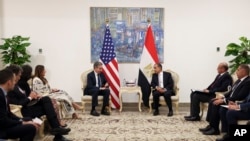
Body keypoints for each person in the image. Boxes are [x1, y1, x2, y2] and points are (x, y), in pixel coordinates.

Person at [6, 64, 72, 141]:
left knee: (46, 100)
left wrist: (35, 96)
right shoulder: (11, 87)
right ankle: (57, 133)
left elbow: (28, 95)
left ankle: (57, 131)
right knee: (49, 109)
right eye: (19, 75)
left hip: (28, 106)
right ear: (14, 75)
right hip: (22, 111)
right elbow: (18, 103)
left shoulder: (19, 84)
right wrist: (30, 97)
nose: (19, 77)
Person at [200, 64, 250, 136]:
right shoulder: (239, 81)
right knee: (213, 101)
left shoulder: (247, 82)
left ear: (243, 71)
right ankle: (212, 126)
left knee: (218, 106)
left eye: (238, 70)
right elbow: (230, 92)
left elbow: (240, 96)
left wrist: (225, 100)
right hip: (232, 101)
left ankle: (219, 130)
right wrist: (222, 97)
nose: (236, 72)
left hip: (236, 101)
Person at [0, 68, 39, 141]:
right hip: (2, 130)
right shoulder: (1, 95)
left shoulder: (4, 93)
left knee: (29, 119)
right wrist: (22, 123)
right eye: (14, 81)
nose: (15, 83)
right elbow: (3, 120)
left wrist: (21, 120)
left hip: (4, 125)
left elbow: (9, 114)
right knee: (30, 128)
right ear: (9, 82)